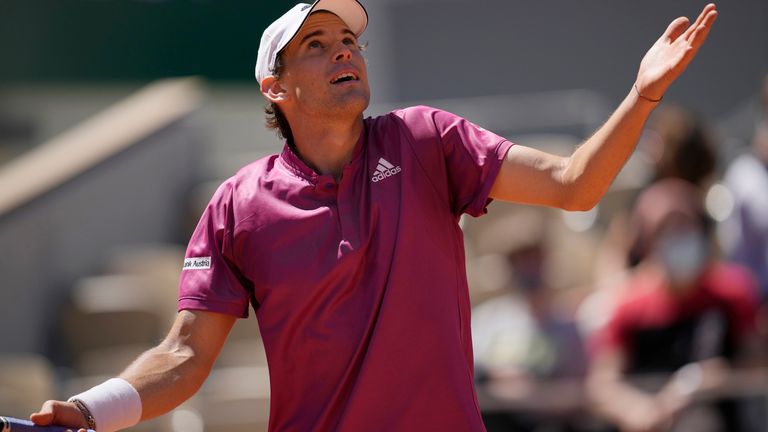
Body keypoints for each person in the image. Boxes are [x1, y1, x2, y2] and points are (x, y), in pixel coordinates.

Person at [29, 1, 719, 431]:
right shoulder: (236, 205)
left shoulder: (427, 141)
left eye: (350, 41)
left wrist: (641, 95)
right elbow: (183, 356)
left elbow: (575, 186)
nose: (344, 52)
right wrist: (93, 409)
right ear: (276, 86)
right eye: (318, 44)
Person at [586, 179, 761, 432]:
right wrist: (637, 409)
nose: (677, 236)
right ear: (648, 240)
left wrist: (710, 379)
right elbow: (603, 384)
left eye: (684, 225)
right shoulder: (627, 304)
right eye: (665, 229)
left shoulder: (733, 291)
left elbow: (754, 360)